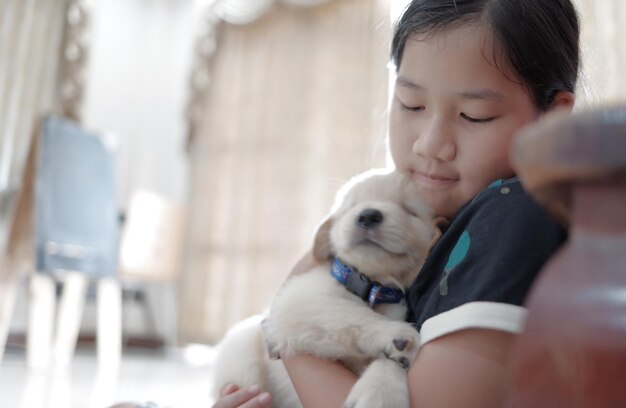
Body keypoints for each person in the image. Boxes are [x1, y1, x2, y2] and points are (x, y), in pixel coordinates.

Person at [212, 0, 581, 406]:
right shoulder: (450, 223)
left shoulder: (514, 214)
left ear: (552, 118)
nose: (430, 145)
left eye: (474, 115)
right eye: (411, 104)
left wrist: (291, 331)